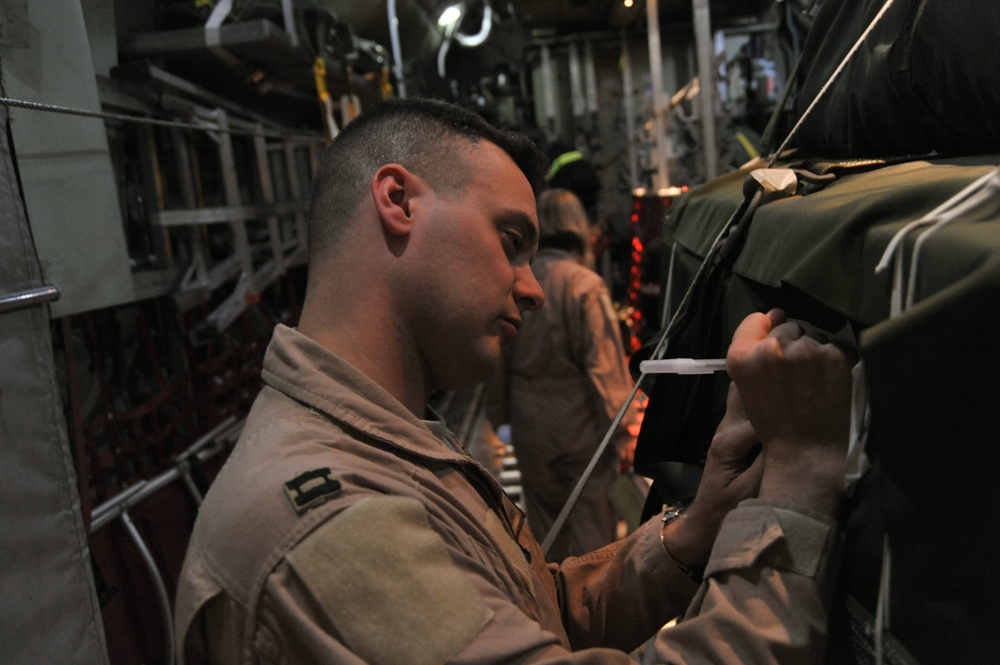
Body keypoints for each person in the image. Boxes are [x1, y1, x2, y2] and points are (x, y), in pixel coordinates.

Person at [173, 97, 855, 664]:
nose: (531, 287)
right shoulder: (331, 524)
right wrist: (794, 488)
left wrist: (695, 530)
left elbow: (535, 610)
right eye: (509, 241)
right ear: (399, 200)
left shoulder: (386, 444)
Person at [487, 188, 639, 561]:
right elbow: (603, 366)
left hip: (529, 420)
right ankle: (594, 615)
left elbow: (498, 358)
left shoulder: (516, 282)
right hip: (580, 422)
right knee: (594, 532)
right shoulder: (583, 284)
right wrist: (623, 431)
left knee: (545, 527)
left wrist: (501, 416)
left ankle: (553, 610)